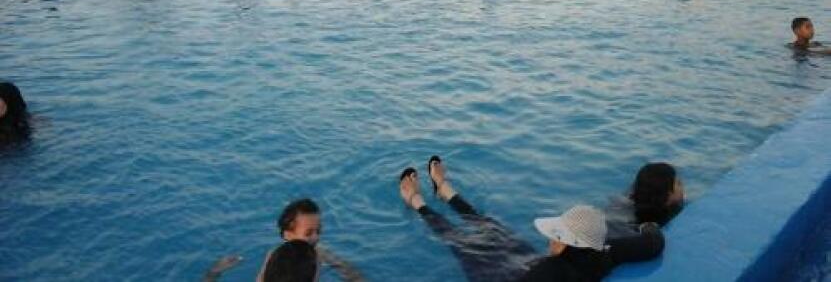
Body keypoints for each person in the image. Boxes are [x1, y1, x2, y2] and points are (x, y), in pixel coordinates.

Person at [399, 157, 665, 282]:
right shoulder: (605, 253)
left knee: (458, 239)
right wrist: (649, 226)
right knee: (489, 227)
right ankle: (445, 190)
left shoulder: (549, 273)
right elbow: (654, 243)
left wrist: (648, 227)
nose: (551, 240)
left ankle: (417, 201)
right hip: (524, 262)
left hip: (500, 275)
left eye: (556, 236)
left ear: (564, 245)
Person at [257, 198, 364, 282]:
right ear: (288, 234)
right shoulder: (273, 255)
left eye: (318, 231)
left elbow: (350, 272)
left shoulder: (319, 252)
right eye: (308, 233)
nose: (316, 237)